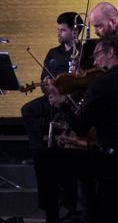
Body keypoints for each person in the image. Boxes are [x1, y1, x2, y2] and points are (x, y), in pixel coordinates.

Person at [33, 34, 118, 223]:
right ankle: (91, 219)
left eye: (97, 55)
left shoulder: (103, 82)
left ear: (110, 52)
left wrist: (63, 103)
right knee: (79, 159)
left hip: (107, 160)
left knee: (43, 157)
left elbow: (81, 128)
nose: (94, 62)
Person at [22, 13, 84, 153]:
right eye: (58, 30)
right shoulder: (53, 53)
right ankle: (37, 153)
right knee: (28, 110)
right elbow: (44, 78)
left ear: (74, 32)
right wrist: (48, 87)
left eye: (63, 30)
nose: (59, 33)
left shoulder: (84, 52)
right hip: (53, 98)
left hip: (73, 101)